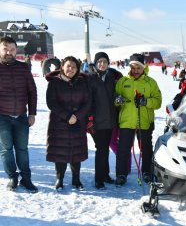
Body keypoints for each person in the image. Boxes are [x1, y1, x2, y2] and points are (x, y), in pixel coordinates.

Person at [114, 53, 162, 185]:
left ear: (143, 67)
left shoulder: (151, 83)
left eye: (138, 68)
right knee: (123, 149)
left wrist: (146, 101)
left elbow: (158, 102)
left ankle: (147, 171)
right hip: (126, 122)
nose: (135, 71)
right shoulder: (123, 81)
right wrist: (117, 100)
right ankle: (121, 174)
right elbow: (115, 99)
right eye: (133, 68)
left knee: (146, 149)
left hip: (144, 122)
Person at [45, 56, 91, 191]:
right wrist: (67, 116)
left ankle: (76, 178)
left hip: (78, 122)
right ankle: (60, 178)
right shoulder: (54, 82)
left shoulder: (83, 82)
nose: (70, 69)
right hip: (59, 122)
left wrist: (77, 116)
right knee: (60, 151)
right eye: (68, 66)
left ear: (77, 69)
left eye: (74, 67)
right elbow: (51, 102)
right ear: (62, 67)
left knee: (76, 152)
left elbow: (88, 102)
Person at [0, 36, 38, 193]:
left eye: (12, 49)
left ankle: (26, 179)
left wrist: (32, 113)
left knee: (22, 149)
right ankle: (12, 177)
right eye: (5, 49)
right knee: (6, 149)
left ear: (16, 50)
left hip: (22, 116)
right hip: (2, 117)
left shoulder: (23, 68)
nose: (9, 52)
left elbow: (32, 91)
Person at [87, 52, 123, 189]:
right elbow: (87, 100)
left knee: (104, 149)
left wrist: (117, 98)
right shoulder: (90, 78)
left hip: (109, 120)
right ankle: (99, 179)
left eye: (105, 62)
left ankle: (105, 174)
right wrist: (89, 119)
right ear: (96, 63)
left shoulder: (110, 77)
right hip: (96, 121)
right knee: (101, 149)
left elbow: (114, 94)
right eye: (100, 62)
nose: (102, 64)